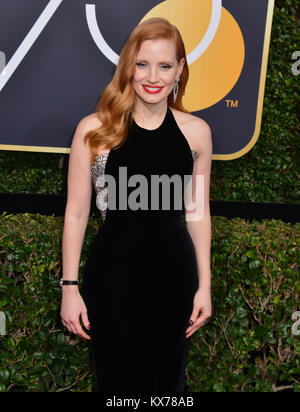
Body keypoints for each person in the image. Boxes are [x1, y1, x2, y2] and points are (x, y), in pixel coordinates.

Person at [60, 17, 212, 392]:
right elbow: (77, 213)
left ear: (179, 69)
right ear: (128, 67)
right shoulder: (94, 131)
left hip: (174, 279)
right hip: (112, 279)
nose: (153, 76)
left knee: (167, 386)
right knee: (113, 386)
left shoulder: (197, 134)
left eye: (164, 65)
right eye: (142, 64)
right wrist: (69, 287)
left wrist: (205, 285)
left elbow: (197, 212)